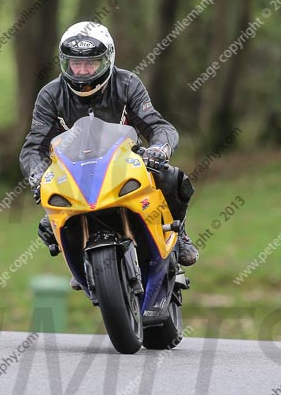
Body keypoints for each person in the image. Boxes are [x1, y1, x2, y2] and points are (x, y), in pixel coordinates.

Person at [19, 21, 198, 287]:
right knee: (48, 223)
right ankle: (82, 261)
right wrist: (38, 175)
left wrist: (159, 149)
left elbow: (157, 125)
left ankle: (178, 232)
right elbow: (33, 146)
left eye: (90, 64)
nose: (82, 71)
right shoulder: (50, 95)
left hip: (125, 163)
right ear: (64, 63)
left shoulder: (127, 83)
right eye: (75, 64)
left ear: (107, 59)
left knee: (173, 180)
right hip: (74, 172)